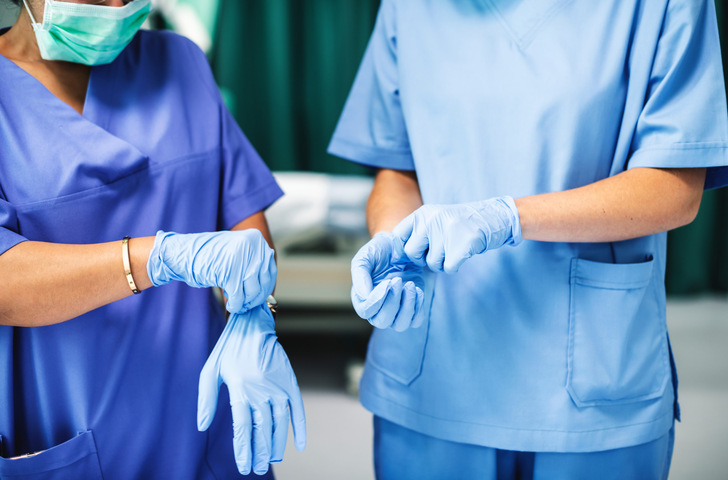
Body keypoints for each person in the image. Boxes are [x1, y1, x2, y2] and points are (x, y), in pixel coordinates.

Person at [328, 0, 728, 478]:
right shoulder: (410, 8)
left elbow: (674, 188)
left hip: (589, 387)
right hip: (433, 366)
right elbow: (397, 167)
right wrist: (392, 242)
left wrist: (507, 217)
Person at [0, 1, 305, 478]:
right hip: (71, 431)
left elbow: (243, 216)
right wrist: (159, 258)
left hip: (208, 423)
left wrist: (254, 314)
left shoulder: (181, 62)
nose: (117, 6)